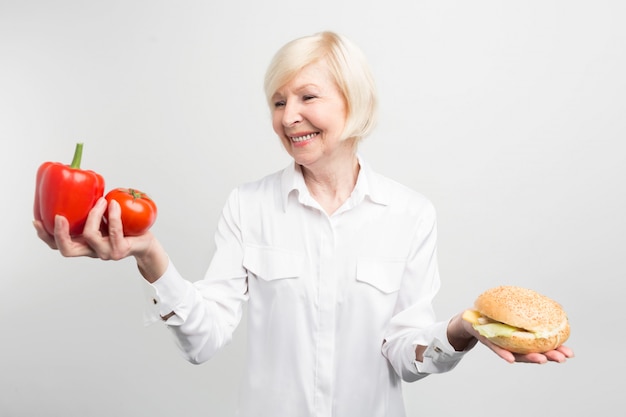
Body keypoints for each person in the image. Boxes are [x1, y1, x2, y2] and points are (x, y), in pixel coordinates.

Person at [34, 31, 573, 416]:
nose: (287, 116)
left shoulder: (410, 214)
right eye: (277, 101)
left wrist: (461, 330)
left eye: (307, 97)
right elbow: (203, 341)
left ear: (354, 103)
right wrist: (149, 256)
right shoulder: (249, 206)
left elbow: (404, 354)